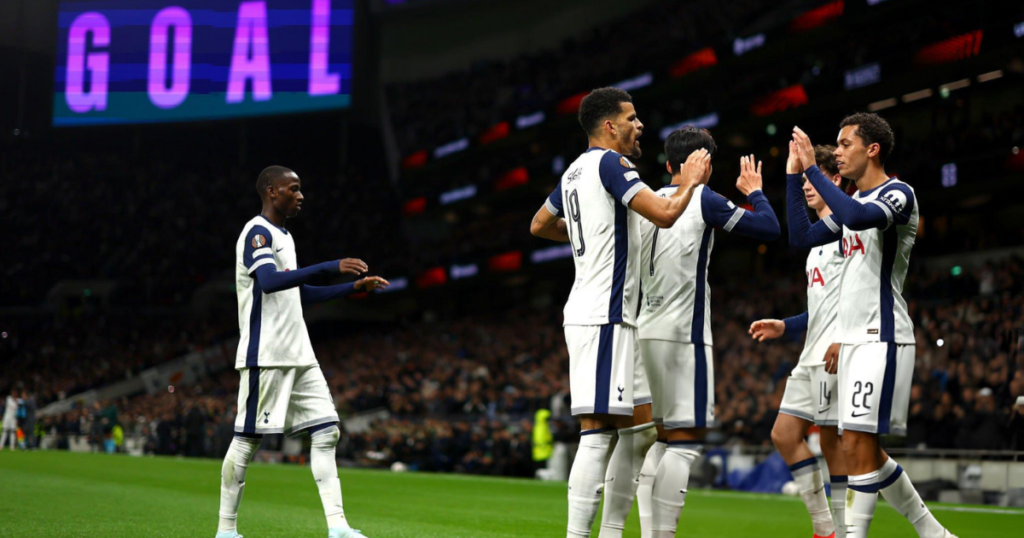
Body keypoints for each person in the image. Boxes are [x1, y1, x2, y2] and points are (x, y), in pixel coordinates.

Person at [530, 87, 710, 538]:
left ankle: (612, 531)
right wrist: (690, 180)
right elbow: (666, 215)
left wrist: (587, 234)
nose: (639, 124)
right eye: (631, 117)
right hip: (603, 314)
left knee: (642, 426)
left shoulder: (572, 172)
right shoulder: (612, 164)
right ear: (610, 126)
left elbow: (539, 224)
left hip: (608, 315)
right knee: (597, 431)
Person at [789, 114, 956, 538]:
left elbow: (860, 218)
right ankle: (934, 533)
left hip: (883, 336)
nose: (838, 152)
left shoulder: (898, 194)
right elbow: (801, 238)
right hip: (855, 341)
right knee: (861, 447)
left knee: (855, 445)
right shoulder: (849, 209)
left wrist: (813, 167)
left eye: (845, 145)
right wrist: (795, 177)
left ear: (872, 149)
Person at [216, 165, 389, 538]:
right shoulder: (256, 232)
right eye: (293, 189)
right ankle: (226, 530)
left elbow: (298, 293)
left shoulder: (284, 236)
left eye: (300, 189)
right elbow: (269, 281)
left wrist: (352, 288)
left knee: (327, 431)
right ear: (271, 192)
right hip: (268, 353)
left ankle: (338, 527)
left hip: (300, 352)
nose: (300, 195)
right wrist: (330, 266)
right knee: (248, 440)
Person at [637, 127, 780, 538]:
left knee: (659, 441)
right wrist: (754, 191)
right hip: (684, 335)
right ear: (707, 166)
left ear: (668, 166)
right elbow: (769, 229)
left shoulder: (645, 200)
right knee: (685, 440)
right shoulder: (704, 199)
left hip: (644, 333)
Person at [749, 144, 849, 538]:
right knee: (784, 435)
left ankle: (838, 529)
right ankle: (825, 527)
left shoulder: (844, 222)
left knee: (832, 439)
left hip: (833, 353)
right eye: (804, 180)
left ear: (833, 179)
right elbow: (821, 310)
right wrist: (786, 326)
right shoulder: (820, 241)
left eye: (812, 179)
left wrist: (793, 175)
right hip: (811, 351)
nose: (806, 187)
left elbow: (798, 237)